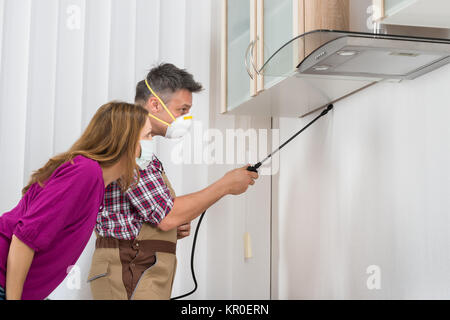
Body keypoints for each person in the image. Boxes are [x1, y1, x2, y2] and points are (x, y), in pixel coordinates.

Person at [89, 63, 259, 300]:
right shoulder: (131, 147)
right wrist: (225, 186)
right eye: (182, 109)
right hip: (129, 268)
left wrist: (164, 232)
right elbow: (167, 216)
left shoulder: (144, 150)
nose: (186, 118)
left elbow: (152, 213)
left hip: (138, 267)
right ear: (155, 104)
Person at [0, 102, 151, 300]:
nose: (150, 144)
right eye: (147, 136)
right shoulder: (85, 173)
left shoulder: (95, 181)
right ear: (126, 141)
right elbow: (24, 238)